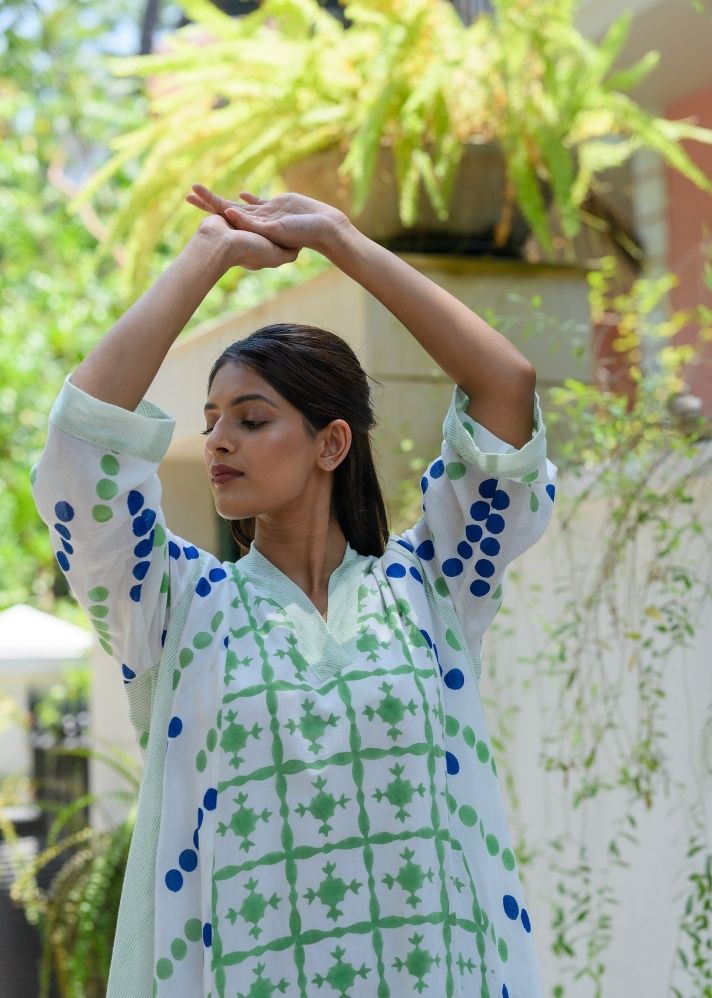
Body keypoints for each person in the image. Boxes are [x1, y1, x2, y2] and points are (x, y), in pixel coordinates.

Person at [31, 183, 557, 998]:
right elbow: (82, 447)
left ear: (330, 442)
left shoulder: (431, 591)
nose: (216, 443)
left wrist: (344, 240)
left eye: (249, 418)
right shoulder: (178, 609)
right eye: (208, 422)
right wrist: (208, 254)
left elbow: (507, 390)